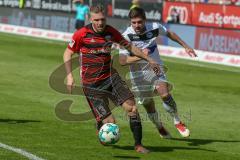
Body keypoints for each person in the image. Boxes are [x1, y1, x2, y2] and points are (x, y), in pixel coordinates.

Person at [64, 5, 161, 153]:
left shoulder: (111, 32)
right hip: (91, 85)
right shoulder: (81, 34)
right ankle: (100, 121)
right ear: (91, 19)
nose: (100, 23)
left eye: (103, 19)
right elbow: (67, 53)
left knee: (132, 108)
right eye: (96, 20)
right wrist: (70, 75)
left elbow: (130, 47)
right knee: (111, 123)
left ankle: (138, 145)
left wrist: (149, 59)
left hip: (110, 77)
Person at [119, 7, 197, 138]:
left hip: (154, 67)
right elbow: (122, 60)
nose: (137, 25)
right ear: (130, 22)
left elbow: (170, 34)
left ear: (145, 20)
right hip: (138, 75)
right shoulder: (126, 36)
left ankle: (177, 121)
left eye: (139, 22)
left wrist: (185, 46)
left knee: (165, 94)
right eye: (134, 22)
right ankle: (159, 127)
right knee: (148, 104)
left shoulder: (154, 27)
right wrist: (141, 56)